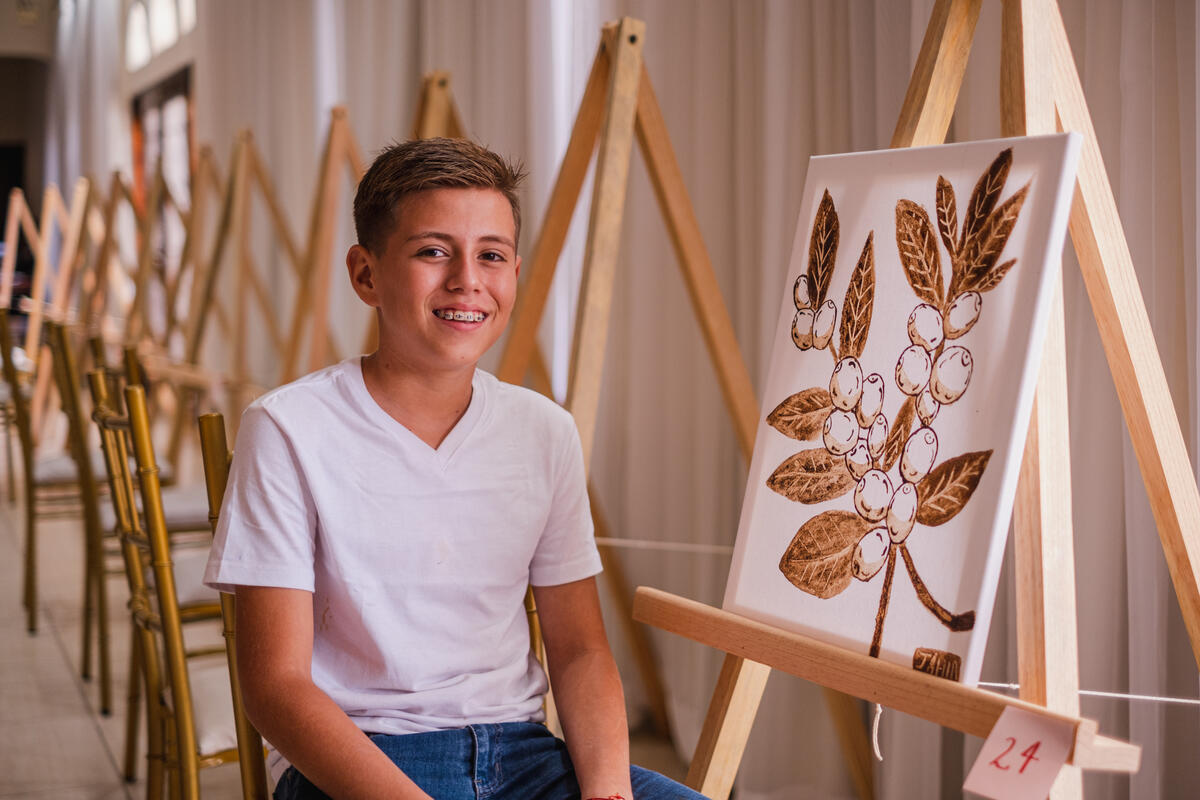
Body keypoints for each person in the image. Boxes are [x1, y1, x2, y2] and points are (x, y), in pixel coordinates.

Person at [204, 137, 705, 800]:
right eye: (432, 251)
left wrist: (607, 795)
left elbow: (580, 650)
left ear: (514, 274)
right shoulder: (289, 429)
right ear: (365, 274)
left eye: (491, 255)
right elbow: (275, 688)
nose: (467, 279)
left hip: (524, 757)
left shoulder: (544, 432)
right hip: (360, 761)